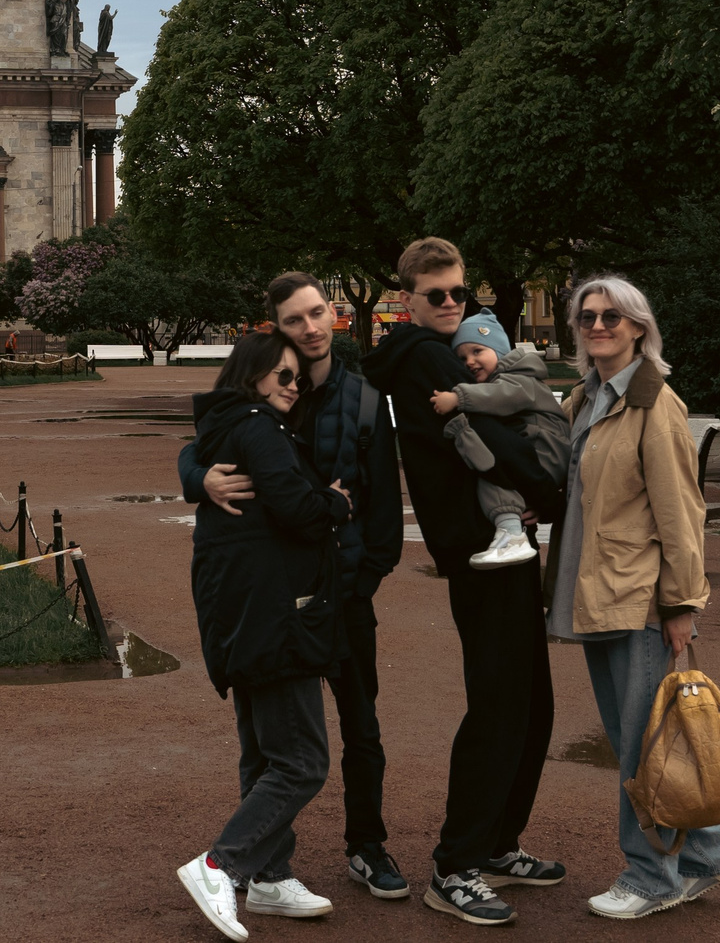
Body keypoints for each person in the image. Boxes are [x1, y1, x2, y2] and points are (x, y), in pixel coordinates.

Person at [183, 274, 409, 899]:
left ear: (333, 314)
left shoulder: (361, 398)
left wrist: (365, 577)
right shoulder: (267, 396)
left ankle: (367, 845)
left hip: (344, 587)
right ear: (275, 332)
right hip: (284, 589)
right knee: (275, 739)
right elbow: (205, 441)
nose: (309, 329)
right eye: (294, 321)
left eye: (316, 314)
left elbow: (382, 500)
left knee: (359, 725)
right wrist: (198, 478)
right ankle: (264, 869)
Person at [363, 237, 564, 925]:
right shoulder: (423, 355)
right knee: (503, 702)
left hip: (500, 542)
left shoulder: (446, 353)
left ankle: (498, 840)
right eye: (436, 294)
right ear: (408, 298)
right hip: (481, 548)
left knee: (531, 701)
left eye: (459, 293)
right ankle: (456, 863)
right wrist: (549, 487)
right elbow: (489, 438)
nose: (451, 304)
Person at [551, 275, 720, 920]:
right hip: (597, 593)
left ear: (638, 327)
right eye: (587, 317)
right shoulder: (585, 399)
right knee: (642, 739)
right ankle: (710, 853)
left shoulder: (654, 404)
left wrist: (682, 605)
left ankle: (652, 877)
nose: (598, 325)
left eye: (612, 316)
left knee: (641, 743)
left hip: (638, 600)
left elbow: (682, 514)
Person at [177, 331, 356, 941]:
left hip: (241, 614)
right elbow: (294, 508)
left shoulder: (225, 427)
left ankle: (271, 876)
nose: (292, 385)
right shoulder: (258, 427)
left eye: (297, 378)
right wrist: (333, 502)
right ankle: (221, 864)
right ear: (251, 375)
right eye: (281, 374)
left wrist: (195, 475)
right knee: (303, 760)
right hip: (273, 616)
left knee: (264, 754)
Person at [431, 311, 571, 570]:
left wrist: (457, 397)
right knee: (488, 470)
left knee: (491, 469)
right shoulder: (507, 380)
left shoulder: (521, 379)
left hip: (546, 451)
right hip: (537, 453)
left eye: (477, 351)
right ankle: (510, 531)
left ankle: (510, 533)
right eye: (461, 357)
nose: (469, 362)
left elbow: (500, 396)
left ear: (500, 350)